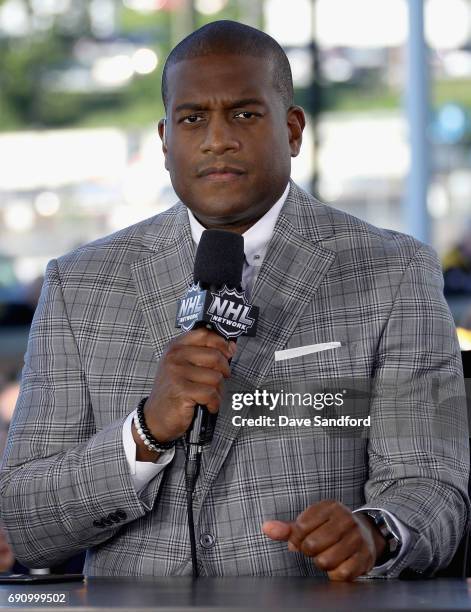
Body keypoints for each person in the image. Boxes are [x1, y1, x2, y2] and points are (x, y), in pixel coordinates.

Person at [0, 20, 468, 581]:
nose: (217, 138)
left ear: (293, 130)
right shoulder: (80, 285)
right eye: (193, 118)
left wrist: (376, 531)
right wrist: (143, 434)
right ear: (165, 141)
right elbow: (27, 521)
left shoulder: (393, 273)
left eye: (244, 114)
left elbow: (434, 489)